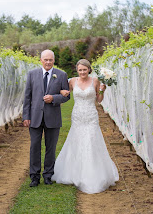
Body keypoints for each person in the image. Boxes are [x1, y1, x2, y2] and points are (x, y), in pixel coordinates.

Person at [51, 59, 119, 194]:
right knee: (76, 141)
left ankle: (93, 173)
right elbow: (64, 93)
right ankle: (74, 171)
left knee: (92, 141)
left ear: (89, 69)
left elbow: (99, 101)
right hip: (77, 116)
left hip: (91, 116)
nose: (82, 72)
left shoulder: (95, 81)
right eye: (80, 70)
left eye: (84, 69)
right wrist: (61, 93)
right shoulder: (72, 81)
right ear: (77, 71)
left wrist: (102, 91)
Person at [23, 49, 70, 187]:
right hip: (35, 117)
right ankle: (34, 177)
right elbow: (27, 97)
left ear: (54, 60)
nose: (48, 62)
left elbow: (67, 96)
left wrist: (54, 98)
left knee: (51, 147)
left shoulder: (61, 75)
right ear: (41, 60)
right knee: (34, 147)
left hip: (53, 117)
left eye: (50, 60)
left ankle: (48, 175)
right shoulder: (32, 74)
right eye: (45, 60)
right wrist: (26, 116)